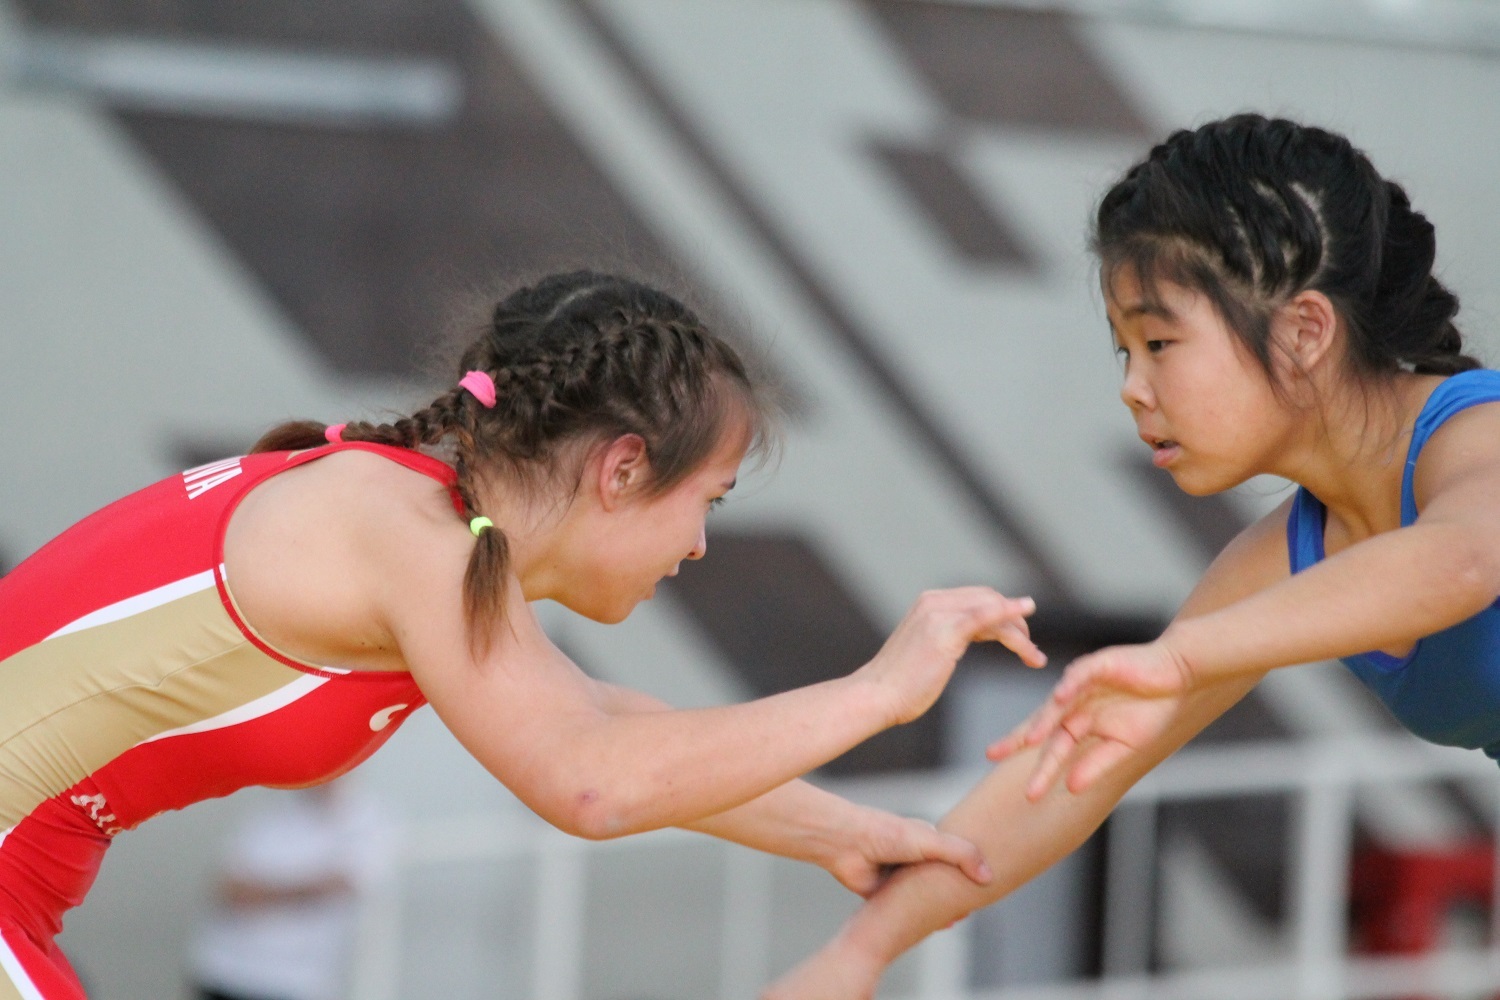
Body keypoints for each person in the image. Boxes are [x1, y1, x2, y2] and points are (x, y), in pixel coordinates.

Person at [0, 271, 1046, 1000]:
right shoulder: (409, 536)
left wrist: (839, 831)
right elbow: (590, 781)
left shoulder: (428, 525)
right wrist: (880, 690)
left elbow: (603, 719)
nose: (696, 548)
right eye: (710, 502)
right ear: (623, 467)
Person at [763, 114, 1500, 999]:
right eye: (1124, 349)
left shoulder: (1476, 435)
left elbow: (1459, 563)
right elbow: (1072, 772)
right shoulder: (1291, 552)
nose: (1131, 388)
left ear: (1306, 330)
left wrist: (1181, 655)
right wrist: (862, 951)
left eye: (1159, 343)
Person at [187, 780, 391, 1000]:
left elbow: (342, 884)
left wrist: (263, 892)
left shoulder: (369, 818)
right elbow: (230, 890)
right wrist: (302, 890)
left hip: (295, 980)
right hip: (226, 970)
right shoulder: (269, 812)